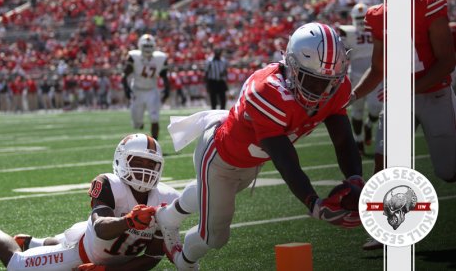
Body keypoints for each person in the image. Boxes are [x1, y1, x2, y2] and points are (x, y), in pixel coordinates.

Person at [156, 22, 364, 270]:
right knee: (215, 236)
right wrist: (314, 203)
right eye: (313, 81)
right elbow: (286, 160)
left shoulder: (335, 88)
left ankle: (166, 216)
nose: (322, 90)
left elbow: (342, 139)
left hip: (250, 159)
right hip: (220, 157)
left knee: (213, 192)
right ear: (292, 66)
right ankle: (184, 261)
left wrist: (355, 179)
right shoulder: (267, 91)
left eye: (329, 81)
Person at [0, 133, 180, 270]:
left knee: (63, 238)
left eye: (151, 164)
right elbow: (100, 228)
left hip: (99, 247)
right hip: (80, 250)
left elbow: (153, 256)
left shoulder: (167, 197)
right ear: (121, 160)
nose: (145, 169)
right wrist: (129, 221)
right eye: (138, 161)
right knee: (16, 265)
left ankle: (31, 242)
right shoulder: (109, 183)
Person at [351, 0, 456, 250]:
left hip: (434, 95)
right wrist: (352, 95)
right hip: (398, 98)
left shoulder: (429, 3)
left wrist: (407, 89)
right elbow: (377, 69)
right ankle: (385, 230)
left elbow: (446, 61)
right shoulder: (377, 16)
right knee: (384, 161)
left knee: (449, 171)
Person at [338, 3, 383, 155]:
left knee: (376, 108)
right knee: (356, 110)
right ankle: (358, 141)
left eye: (362, 18)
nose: (360, 21)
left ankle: (369, 125)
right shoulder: (347, 32)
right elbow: (342, 53)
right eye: (357, 18)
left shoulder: (377, 27)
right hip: (355, 74)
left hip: (375, 72)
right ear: (352, 18)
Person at [122, 34, 171, 140]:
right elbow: (125, 75)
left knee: (154, 118)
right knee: (137, 123)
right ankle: (139, 124)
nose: (148, 49)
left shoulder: (159, 58)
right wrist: (126, 89)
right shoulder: (134, 56)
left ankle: (155, 145)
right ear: (140, 45)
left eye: (150, 46)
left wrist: (167, 89)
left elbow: (164, 76)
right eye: (145, 46)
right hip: (137, 90)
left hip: (152, 90)